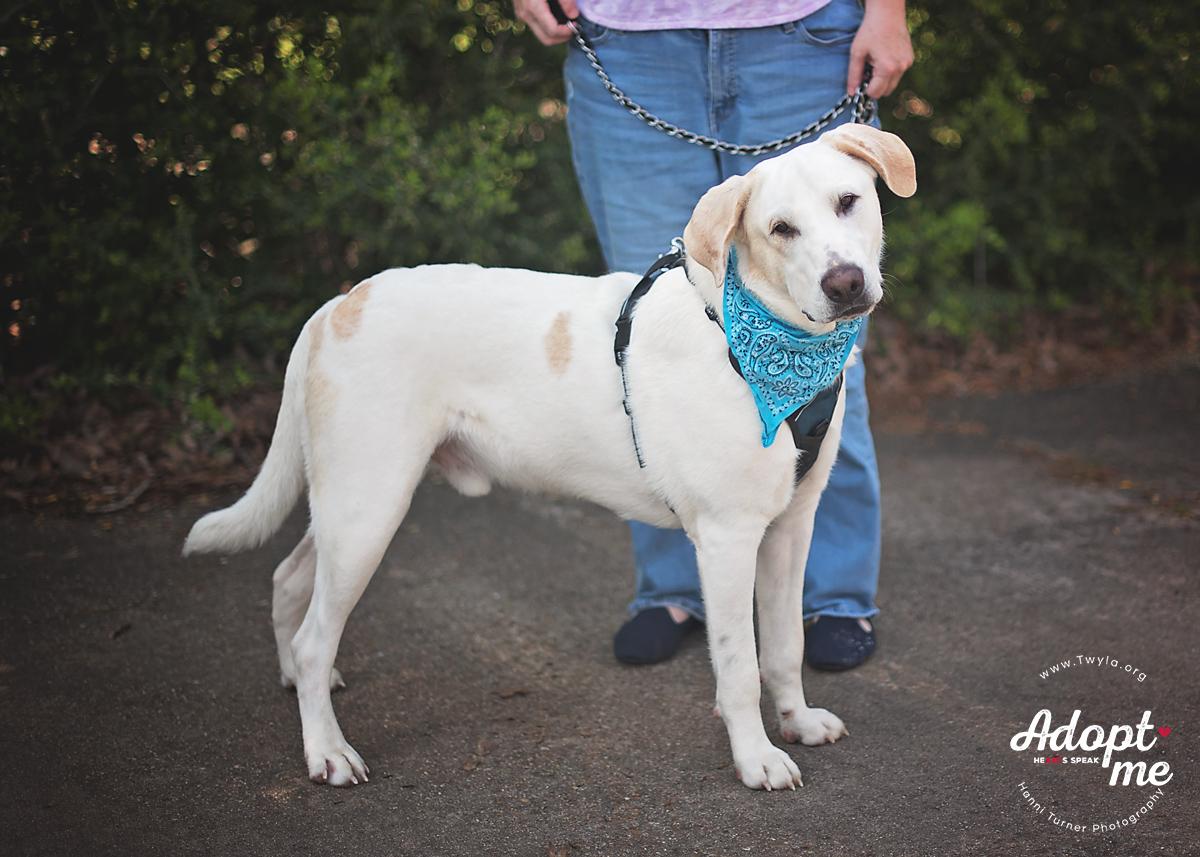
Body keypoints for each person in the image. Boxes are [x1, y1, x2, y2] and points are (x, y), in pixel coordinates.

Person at [514, 0, 913, 669]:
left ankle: (834, 596)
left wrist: (888, 9)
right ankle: (674, 587)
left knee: (825, 341)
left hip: (804, 37)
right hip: (628, 42)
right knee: (654, 347)